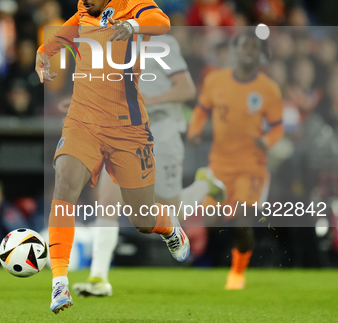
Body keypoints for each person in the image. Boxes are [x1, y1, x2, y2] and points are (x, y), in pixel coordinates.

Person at [35, 0, 190, 314]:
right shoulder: (85, 8)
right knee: (64, 185)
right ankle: (59, 284)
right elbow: (71, 25)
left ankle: (169, 228)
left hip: (128, 127)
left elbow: (161, 21)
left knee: (142, 218)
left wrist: (135, 27)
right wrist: (45, 51)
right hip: (83, 120)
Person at [72, 33, 227, 297]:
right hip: (124, 134)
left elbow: (186, 89)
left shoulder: (162, 44)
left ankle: (204, 186)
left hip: (162, 132)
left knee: (171, 209)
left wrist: (146, 102)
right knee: (108, 201)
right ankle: (98, 277)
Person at [186, 31, 284, 290]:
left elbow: (277, 127)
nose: (249, 51)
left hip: (251, 166)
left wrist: (268, 141)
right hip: (219, 165)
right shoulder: (215, 80)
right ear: (235, 50)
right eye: (244, 46)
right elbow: (201, 109)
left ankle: (237, 273)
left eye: (254, 47)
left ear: (260, 53)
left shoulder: (268, 90)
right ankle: (200, 263)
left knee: (242, 219)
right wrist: (195, 131)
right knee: (209, 220)